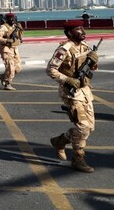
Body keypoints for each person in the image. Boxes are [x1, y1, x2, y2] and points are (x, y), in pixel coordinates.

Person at [47, 20, 99, 173]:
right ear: (70, 33)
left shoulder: (85, 47)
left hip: (85, 90)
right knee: (83, 127)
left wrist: (94, 62)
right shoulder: (64, 49)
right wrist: (67, 79)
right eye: (78, 29)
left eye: (83, 28)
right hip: (71, 92)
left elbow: (91, 68)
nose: (83, 31)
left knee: (90, 127)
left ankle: (60, 140)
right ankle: (78, 159)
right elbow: (51, 70)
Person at [0, 13, 23, 91]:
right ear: (7, 20)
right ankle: (7, 83)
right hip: (6, 49)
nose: (12, 20)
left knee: (18, 67)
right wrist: (6, 40)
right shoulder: (3, 27)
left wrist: (21, 29)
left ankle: (3, 76)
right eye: (11, 19)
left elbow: (19, 36)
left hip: (14, 49)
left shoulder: (15, 26)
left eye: (13, 18)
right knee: (10, 67)